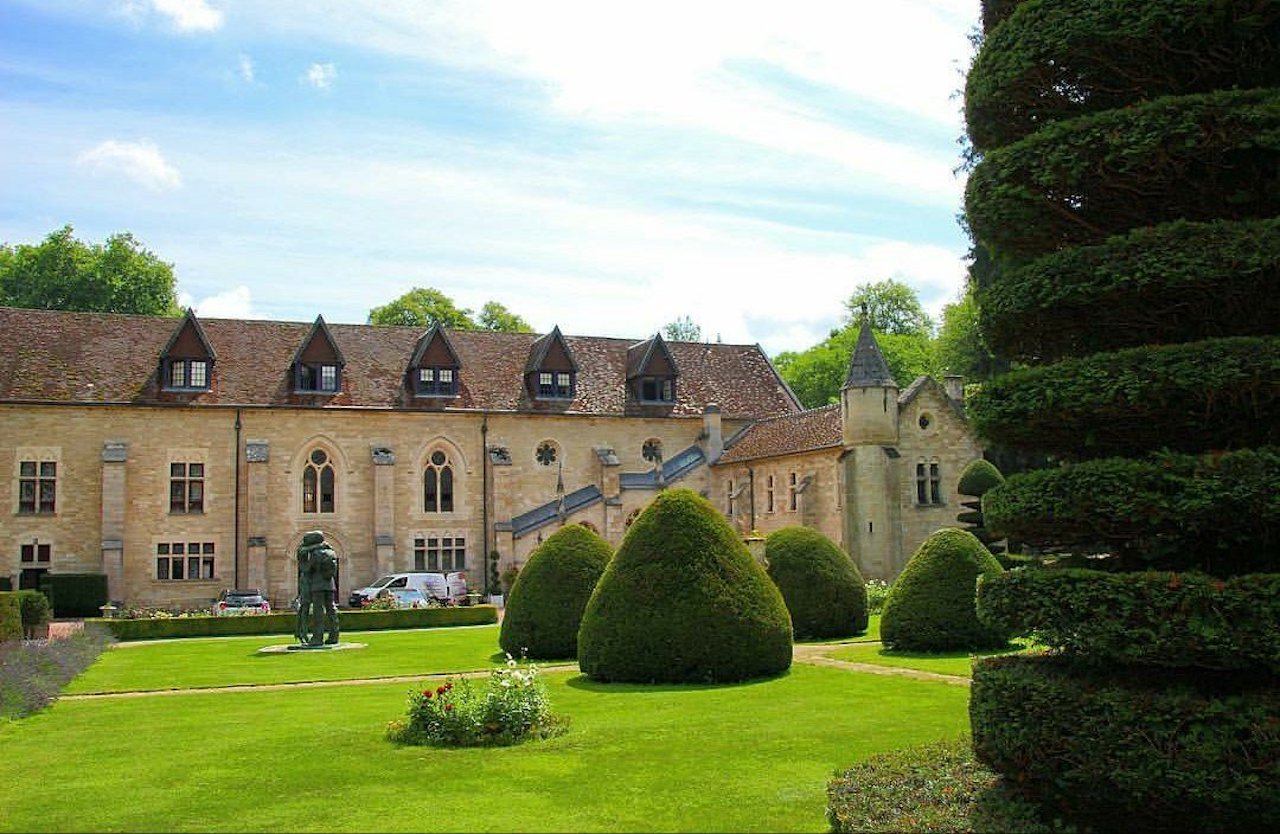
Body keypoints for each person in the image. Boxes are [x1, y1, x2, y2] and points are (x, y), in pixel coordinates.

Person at [307, 536, 340, 646]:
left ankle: (318, 637)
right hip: (330, 584)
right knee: (331, 608)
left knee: (318, 611)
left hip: (318, 584)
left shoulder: (315, 553)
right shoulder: (332, 552)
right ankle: (334, 635)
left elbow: (308, 568)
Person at [294, 531, 324, 644]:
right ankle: (302, 632)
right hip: (306, 581)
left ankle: (309, 633)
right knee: (305, 606)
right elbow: (303, 552)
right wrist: (319, 546)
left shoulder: (313, 550)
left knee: (316, 607)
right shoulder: (303, 549)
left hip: (313, 581)